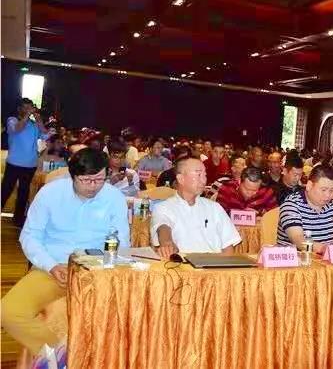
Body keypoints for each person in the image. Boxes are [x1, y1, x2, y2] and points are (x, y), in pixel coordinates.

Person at [1, 148, 129, 354]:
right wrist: (51, 266)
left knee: (123, 317)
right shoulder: (50, 193)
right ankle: (63, 354)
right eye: (86, 180)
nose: (93, 186)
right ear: (72, 175)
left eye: (99, 179)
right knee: (9, 313)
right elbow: (30, 236)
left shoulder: (114, 198)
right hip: (53, 268)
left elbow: (121, 242)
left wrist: (100, 269)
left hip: (95, 272)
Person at [151, 157, 241, 258]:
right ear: (181, 179)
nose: (204, 180)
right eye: (198, 175)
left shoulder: (214, 207)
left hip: (214, 264)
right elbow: (163, 227)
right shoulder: (163, 207)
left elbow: (228, 249)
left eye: (205, 175)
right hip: (182, 265)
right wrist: (167, 243)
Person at [1, 98, 49, 227]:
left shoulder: (33, 124)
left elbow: (45, 135)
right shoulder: (12, 120)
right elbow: (16, 129)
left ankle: (18, 219)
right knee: (5, 190)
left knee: (23, 192)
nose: (29, 110)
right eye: (26, 107)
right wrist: (27, 115)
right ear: (19, 109)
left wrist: (39, 121)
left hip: (30, 164)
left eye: (30, 107)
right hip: (14, 163)